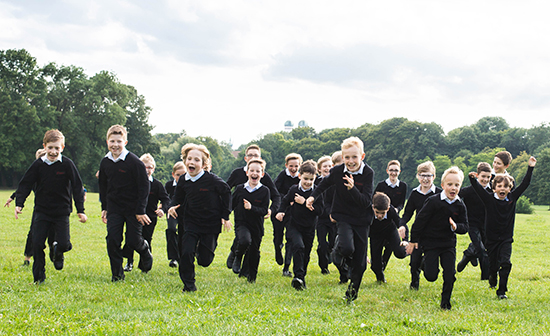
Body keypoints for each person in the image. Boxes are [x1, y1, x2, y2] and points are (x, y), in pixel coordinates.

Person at [306, 137, 374, 303]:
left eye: (354, 157)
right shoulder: (337, 171)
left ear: (362, 156)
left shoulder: (367, 173)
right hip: (343, 216)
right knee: (347, 247)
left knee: (361, 263)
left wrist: (352, 189)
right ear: (342, 157)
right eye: (347, 157)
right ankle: (337, 252)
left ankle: (352, 293)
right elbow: (324, 184)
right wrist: (312, 197)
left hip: (362, 219)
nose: (351, 161)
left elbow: (366, 201)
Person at [14, 129, 87, 284]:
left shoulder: (67, 164)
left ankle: (58, 252)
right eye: (50, 147)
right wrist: (19, 203)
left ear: (62, 148)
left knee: (64, 244)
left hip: (61, 212)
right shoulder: (38, 165)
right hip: (42, 211)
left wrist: (80, 210)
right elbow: (25, 184)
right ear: (44, 146)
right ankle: (39, 277)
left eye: (57, 148)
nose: (53, 151)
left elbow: (77, 186)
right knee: (37, 243)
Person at [468, 156, 536, 299]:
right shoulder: (488, 199)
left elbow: (525, 183)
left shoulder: (512, 198)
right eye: (499, 186)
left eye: (506, 187)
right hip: (491, 239)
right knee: (493, 266)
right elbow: (478, 189)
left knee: (506, 263)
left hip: (506, 238)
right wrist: (472, 179)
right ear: (494, 188)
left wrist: (530, 167)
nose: (502, 189)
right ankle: (492, 277)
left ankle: (502, 291)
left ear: (510, 188)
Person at [168, 143, 232, 292]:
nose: (192, 162)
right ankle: (189, 285)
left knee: (205, 260)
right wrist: (172, 206)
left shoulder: (213, 181)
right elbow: (177, 196)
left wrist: (225, 215)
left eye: (197, 160)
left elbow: (227, 192)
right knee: (185, 252)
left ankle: (202, 249)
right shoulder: (183, 179)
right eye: (189, 159)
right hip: (190, 222)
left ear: (204, 164)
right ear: (185, 161)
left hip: (211, 224)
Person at [406, 166, 469, 310]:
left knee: (450, 274)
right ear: (442, 186)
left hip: (448, 245)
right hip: (431, 243)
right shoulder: (433, 201)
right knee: (431, 276)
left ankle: (445, 302)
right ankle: (424, 263)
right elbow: (420, 221)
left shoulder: (460, 205)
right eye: (450, 185)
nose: (453, 188)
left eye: (457, 185)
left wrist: (455, 227)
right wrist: (413, 240)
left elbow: (465, 227)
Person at [98, 124, 153, 282]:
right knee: (113, 240)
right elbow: (103, 186)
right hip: (114, 208)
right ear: (107, 141)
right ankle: (117, 274)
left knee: (133, 241)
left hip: (133, 209)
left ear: (125, 143)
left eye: (119, 141)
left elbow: (144, 187)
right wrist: (104, 208)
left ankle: (144, 250)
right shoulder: (105, 162)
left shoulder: (134, 162)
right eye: (112, 141)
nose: (115, 145)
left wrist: (141, 210)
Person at [225, 145, 280, 272]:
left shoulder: (264, 177)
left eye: (256, 155)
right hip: (241, 215)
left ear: (260, 158)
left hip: (256, 216)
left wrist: (271, 210)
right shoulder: (237, 173)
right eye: (250, 155)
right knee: (243, 237)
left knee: (252, 243)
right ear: (245, 158)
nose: (253, 157)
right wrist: (225, 213)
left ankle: (244, 271)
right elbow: (226, 190)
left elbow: (275, 195)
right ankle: (235, 252)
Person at [276, 160, 323, 290]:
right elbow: (285, 201)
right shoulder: (294, 189)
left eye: (311, 179)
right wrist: (280, 212)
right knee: (298, 246)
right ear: (299, 176)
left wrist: (305, 203)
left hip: (309, 227)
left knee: (306, 253)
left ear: (315, 178)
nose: (308, 182)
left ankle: (301, 278)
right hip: (294, 225)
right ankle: (297, 276)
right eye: (305, 179)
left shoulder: (317, 193)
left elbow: (320, 211)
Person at [122, 154, 170, 272]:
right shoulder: (133, 183)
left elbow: (166, 199)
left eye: (150, 167)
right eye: (144, 167)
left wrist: (162, 210)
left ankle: (145, 266)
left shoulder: (157, 185)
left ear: (153, 169)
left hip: (150, 217)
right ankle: (129, 262)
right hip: (135, 215)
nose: (147, 170)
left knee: (146, 239)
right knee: (131, 239)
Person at [400, 161, 442, 290]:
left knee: (432, 272)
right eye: (422, 175)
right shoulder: (414, 194)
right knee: (414, 261)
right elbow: (407, 214)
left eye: (428, 176)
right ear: (418, 176)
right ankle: (414, 284)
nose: (425, 179)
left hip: (434, 234)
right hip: (418, 233)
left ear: (434, 177)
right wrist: (402, 225)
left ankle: (426, 264)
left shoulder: (440, 194)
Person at [231, 158, 270, 283]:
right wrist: (224, 216)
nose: (255, 173)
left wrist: (251, 207)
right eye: (252, 170)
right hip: (242, 223)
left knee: (254, 251)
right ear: (247, 173)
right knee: (244, 240)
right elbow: (230, 204)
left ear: (262, 174)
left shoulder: (265, 191)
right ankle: (238, 256)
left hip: (257, 226)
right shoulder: (240, 189)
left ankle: (252, 277)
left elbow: (264, 210)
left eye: (258, 171)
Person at [456, 162, 492, 279]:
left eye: (488, 177)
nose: (485, 179)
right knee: (481, 250)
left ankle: (468, 254)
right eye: (483, 176)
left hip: (486, 225)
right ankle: (485, 277)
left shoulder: (492, 191)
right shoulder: (468, 190)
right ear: (477, 176)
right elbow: (455, 197)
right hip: (471, 224)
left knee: (486, 248)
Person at [374, 160, 408, 273]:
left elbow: (402, 203)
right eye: (391, 170)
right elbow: (374, 200)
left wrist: (396, 210)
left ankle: (383, 263)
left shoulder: (403, 186)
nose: (393, 173)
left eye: (396, 170)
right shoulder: (381, 185)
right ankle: (379, 266)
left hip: (392, 217)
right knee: (378, 245)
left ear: (399, 172)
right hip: (380, 217)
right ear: (387, 171)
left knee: (390, 245)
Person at [272, 153, 303, 277]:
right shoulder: (282, 176)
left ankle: (286, 267)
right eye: (291, 166)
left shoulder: (302, 178)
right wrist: (286, 199)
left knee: (290, 240)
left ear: (300, 166)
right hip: (280, 209)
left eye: (296, 166)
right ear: (286, 165)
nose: (294, 169)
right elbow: (274, 191)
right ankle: (277, 248)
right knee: (278, 235)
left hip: (294, 213)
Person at [369, 192, 408, 283]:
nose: (379, 216)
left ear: (388, 208)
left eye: (382, 213)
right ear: (373, 207)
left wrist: (405, 240)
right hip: (375, 235)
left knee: (400, 253)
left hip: (390, 232)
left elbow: (401, 223)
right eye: (377, 212)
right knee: (375, 264)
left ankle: (408, 249)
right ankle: (380, 277)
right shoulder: (368, 212)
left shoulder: (391, 211)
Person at [315, 155, 335, 275]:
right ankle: (323, 267)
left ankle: (329, 254)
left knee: (332, 243)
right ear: (319, 169)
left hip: (333, 217)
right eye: (325, 166)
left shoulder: (335, 181)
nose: (327, 168)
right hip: (320, 218)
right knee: (322, 243)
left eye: (329, 166)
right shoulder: (316, 182)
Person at [164, 161, 186, 268]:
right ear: (173, 175)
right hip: (172, 212)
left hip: (185, 213)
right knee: (171, 230)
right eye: (178, 175)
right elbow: (164, 198)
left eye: (182, 175)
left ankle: (182, 257)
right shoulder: (168, 185)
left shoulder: (188, 185)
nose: (180, 177)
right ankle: (173, 258)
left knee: (183, 233)